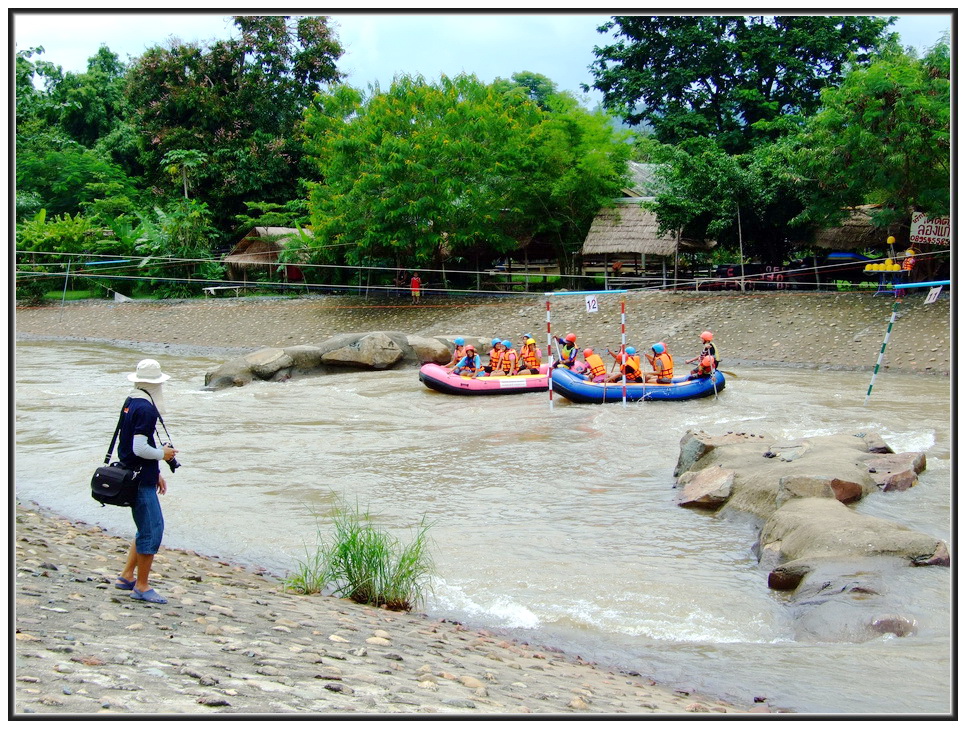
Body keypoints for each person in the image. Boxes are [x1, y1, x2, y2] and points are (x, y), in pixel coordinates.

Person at [115, 359, 178, 605]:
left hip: (135, 472)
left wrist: (156, 471)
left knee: (144, 527)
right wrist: (163, 454)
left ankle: (127, 576)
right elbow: (140, 447)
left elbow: (128, 445)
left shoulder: (131, 401)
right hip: (141, 479)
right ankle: (141, 586)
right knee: (153, 530)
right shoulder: (147, 409)